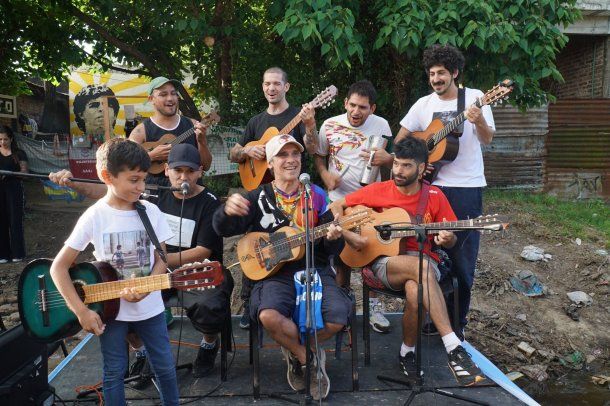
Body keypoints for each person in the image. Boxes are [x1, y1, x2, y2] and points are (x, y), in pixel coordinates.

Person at [49, 143, 234, 383]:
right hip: (148, 272)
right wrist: (72, 183)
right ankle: (140, 350)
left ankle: (209, 343)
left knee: (209, 305)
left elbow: (203, 251)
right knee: (120, 308)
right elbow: (109, 191)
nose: (183, 176)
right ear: (166, 170)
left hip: (191, 272)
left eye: (190, 171)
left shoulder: (209, 201)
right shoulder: (153, 193)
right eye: (178, 170)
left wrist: (161, 263)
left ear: (200, 171)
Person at [329, 137, 485, 386]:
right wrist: (342, 224)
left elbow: (453, 239)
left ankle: (406, 353)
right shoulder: (379, 190)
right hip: (384, 263)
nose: (398, 171)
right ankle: (453, 347)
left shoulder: (434, 195)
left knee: (416, 290)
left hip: (426, 260)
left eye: (406, 166)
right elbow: (337, 203)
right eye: (397, 164)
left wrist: (447, 238)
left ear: (422, 168)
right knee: (420, 270)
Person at [214, 134, 352, 401]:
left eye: (295, 154)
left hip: (315, 270)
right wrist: (226, 212)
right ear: (269, 163)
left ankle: (293, 349)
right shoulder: (256, 198)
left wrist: (335, 238)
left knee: (338, 316)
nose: (290, 160)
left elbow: (329, 250)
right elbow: (223, 228)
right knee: (268, 315)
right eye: (282, 155)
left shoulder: (317, 197)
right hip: (275, 275)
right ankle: (309, 359)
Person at [49, 138, 179, 405]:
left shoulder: (151, 211)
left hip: (151, 309)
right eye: (134, 180)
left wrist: (149, 286)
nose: (141, 187)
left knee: (165, 369)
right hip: (110, 312)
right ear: (107, 176)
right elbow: (58, 268)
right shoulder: (94, 216)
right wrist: (82, 311)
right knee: (114, 373)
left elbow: (162, 256)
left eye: (143, 179)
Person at [395, 44, 496, 336]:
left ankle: (457, 326)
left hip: (466, 188)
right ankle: (431, 320)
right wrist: (419, 161)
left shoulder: (475, 98)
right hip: (429, 188)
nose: (436, 79)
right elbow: (402, 141)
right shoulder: (423, 105)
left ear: (454, 73)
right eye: (431, 73)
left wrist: (478, 123)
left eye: (441, 73)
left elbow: (487, 139)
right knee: (430, 256)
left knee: (463, 262)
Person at [228, 67, 317, 329]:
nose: (271, 88)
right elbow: (234, 153)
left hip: (291, 191)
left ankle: (295, 297)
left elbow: (311, 148)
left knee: (292, 243)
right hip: (261, 192)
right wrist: (247, 149)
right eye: (267, 84)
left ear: (286, 87)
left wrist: (310, 125)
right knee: (252, 239)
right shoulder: (256, 121)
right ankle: (248, 302)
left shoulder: (297, 116)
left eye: (277, 84)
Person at [313, 80, 393, 334]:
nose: (357, 112)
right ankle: (344, 306)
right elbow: (319, 155)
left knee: (373, 251)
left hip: (372, 201)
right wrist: (324, 174)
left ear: (373, 108)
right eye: (353, 105)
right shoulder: (329, 124)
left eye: (363, 107)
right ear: (345, 103)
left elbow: (391, 170)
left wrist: (388, 159)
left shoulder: (382, 126)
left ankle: (375, 307)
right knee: (341, 256)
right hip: (338, 199)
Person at [128, 76, 212, 173]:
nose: (170, 98)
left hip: (189, 186)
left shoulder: (192, 124)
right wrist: (150, 156)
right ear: (151, 99)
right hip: (155, 187)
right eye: (163, 94)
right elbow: (128, 165)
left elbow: (206, 166)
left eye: (173, 93)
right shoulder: (140, 132)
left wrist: (202, 142)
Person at [0, 125, 28, 263]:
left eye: (5, 139)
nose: (2, 142)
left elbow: (25, 173)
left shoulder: (19, 153)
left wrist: (11, 174)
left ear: (11, 139)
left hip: (14, 190)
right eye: (0, 139)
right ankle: (2, 255)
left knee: (15, 221)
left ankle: (18, 253)